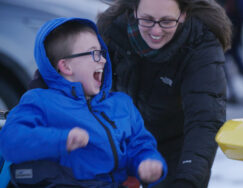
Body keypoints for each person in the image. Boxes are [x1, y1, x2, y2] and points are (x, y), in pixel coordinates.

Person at [0, 17, 167, 187]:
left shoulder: (121, 104)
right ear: (66, 67)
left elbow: (140, 144)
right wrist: (61, 139)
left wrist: (148, 161)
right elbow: (11, 141)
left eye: (102, 52)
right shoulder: (41, 101)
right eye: (94, 53)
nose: (103, 59)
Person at [96, 0, 232, 187]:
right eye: (147, 19)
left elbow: (205, 118)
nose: (156, 31)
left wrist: (188, 179)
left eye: (167, 21)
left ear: (183, 14)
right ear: (134, 11)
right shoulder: (112, 31)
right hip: (119, 139)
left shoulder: (201, 42)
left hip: (174, 143)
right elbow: (69, 76)